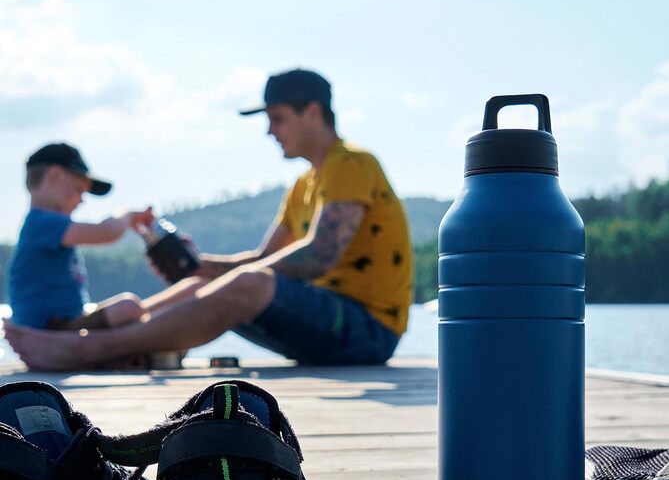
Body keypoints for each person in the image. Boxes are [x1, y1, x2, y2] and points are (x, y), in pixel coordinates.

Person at [5, 69, 414, 370]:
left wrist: (225, 275)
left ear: (312, 112)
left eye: (277, 118)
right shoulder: (302, 185)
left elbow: (319, 256)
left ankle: (93, 348)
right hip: (323, 323)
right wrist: (200, 267)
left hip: (366, 330)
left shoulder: (352, 163)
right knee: (211, 280)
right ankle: (100, 338)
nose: (270, 132)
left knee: (248, 282)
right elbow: (263, 257)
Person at [8, 143, 154, 330]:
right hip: (52, 330)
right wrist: (129, 215)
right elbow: (106, 232)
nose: (82, 199)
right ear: (55, 176)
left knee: (178, 298)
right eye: (78, 189)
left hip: (68, 323)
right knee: (128, 307)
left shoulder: (47, 226)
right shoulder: (42, 223)